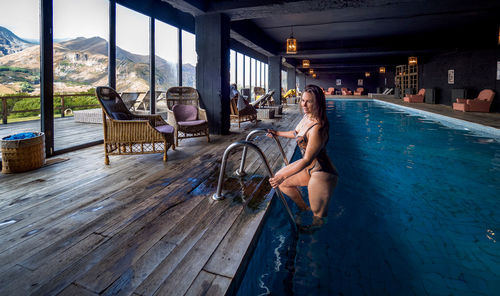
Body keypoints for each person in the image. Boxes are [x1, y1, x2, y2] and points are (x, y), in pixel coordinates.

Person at [267, 84, 338, 224]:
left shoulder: (317, 128)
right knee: (283, 184)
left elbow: (306, 159)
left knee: (317, 218)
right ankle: (304, 208)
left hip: (322, 173)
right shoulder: (307, 117)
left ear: (317, 103)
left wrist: (283, 175)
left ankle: (313, 243)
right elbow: (296, 133)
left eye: (309, 101)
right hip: (309, 169)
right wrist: (277, 133)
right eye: (303, 100)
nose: (304, 104)